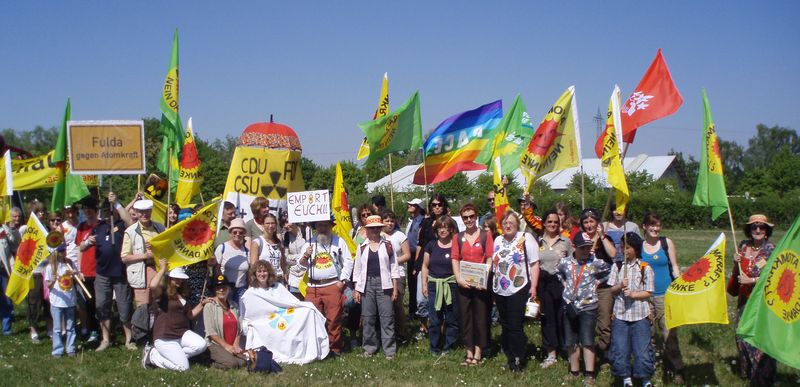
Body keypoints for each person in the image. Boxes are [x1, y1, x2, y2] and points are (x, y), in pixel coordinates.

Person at [240, 260, 330, 364]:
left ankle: (309, 348)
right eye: (259, 271)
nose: (262, 274)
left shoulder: (278, 287)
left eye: (265, 271)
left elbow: (292, 302)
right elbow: (247, 315)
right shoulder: (250, 294)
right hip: (265, 323)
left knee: (308, 311)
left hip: (284, 316)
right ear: (255, 274)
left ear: (269, 273)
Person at [556, 232, 611, 386]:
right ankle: (574, 371)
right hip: (570, 305)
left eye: (588, 248)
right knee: (571, 340)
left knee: (587, 340)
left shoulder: (595, 263)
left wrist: (598, 282)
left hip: (588, 306)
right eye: (582, 248)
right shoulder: (566, 262)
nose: (586, 251)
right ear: (574, 247)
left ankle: (589, 374)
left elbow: (610, 271)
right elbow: (558, 272)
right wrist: (565, 284)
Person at [730, 214, 777, 385]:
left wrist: (752, 281)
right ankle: (747, 371)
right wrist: (736, 262)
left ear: (766, 231)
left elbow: (773, 276)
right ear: (749, 230)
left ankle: (764, 375)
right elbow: (738, 272)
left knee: (759, 337)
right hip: (744, 299)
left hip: (762, 301)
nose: (757, 230)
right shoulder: (742, 246)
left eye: (761, 227)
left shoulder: (771, 249)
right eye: (754, 227)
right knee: (741, 335)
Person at [296, 218, 353, 356]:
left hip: (332, 285)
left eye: (325, 225)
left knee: (334, 319)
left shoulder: (339, 241)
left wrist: (342, 281)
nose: (322, 228)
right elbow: (300, 266)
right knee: (313, 319)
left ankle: (335, 348)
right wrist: (305, 256)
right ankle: (316, 347)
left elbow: (348, 262)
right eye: (319, 225)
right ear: (315, 227)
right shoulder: (309, 243)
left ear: (330, 226)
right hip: (313, 286)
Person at [491, 211, 540, 372]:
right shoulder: (498, 239)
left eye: (511, 222)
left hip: (519, 287)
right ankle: (509, 355)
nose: (508, 225)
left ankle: (518, 358)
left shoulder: (526, 238)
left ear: (517, 224)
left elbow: (534, 264)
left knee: (515, 325)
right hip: (500, 289)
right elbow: (494, 263)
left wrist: (533, 286)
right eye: (505, 222)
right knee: (504, 324)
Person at [640, 212, 685, 384]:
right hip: (645, 297)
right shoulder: (640, 246)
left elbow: (674, 265)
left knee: (669, 335)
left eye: (658, 225)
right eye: (652, 225)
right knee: (647, 335)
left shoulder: (666, 243)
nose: (655, 228)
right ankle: (649, 368)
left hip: (666, 295)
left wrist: (679, 280)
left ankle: (677, 368)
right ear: (644, 227)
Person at [142, 261, 209, 371]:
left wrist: (202, 304)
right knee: (183, 368)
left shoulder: (182, 294)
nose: (180, 281)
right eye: (176, 278)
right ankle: (153, 356)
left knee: (201, 344)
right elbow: (153, 286)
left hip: (182, 334)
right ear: (169, 279)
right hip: (165, 337)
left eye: (181, 278)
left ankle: (176, 356)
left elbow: (190, 315)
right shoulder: (162, 294)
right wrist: (163, 269)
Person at [607, 232, 655, 387]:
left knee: (642, 350)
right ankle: (626, 378)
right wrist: (620, 285)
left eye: (627, 248)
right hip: (620, 314)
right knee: (620, 349)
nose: (624, 250)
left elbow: (648, 292)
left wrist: (634, 294)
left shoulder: (644, 268)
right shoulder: (617, 266)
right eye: (622, 247)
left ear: (636, 249)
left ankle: (645, 378)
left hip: (640, 315)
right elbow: (611, 290)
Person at [91, 194, 136, 351]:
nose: (107, 214)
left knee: (124, 307)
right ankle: (105, 339)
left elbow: (129, 220)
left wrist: (116, 202)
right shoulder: (99, 227)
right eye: (105, 211)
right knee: (103, 306)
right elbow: (85, 244)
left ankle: (129, 339)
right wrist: (86, 243)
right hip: (102, 273)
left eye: (109, 211)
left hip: (120, 274)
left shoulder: (123, 225)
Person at [451, 203, 493, 366]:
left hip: (481, 284)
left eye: (471, 216)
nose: (469, 220)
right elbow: (455, 258)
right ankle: (468, 352)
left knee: (480, 317)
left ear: (476, 217)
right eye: (465, 217)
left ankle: (478, 352)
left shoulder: (485, 235)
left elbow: (489, 257)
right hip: (464, 283)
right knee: (466, 317)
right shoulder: (457, 237)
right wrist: (459, 278)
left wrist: (485, 277)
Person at [353, 215, 400, 359]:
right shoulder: (362, 246)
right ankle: (369, 347)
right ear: (367, 230)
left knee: (387, 317)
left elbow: (394, 267)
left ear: (380, 229)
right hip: (366, 284)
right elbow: (357, 269)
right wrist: (356, 288)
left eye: (376, 228)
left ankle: (389, 350)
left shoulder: (388, 245)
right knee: (368, 318)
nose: (374, 231)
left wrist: (395, 287)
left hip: (384, 284)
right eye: (371, 228)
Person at [536, 210, 573, 368]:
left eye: (556, 222)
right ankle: (551, 353)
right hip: (544, 285)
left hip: (561, 284)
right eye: (550, 221)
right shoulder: (537, 242)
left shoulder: (566, 241)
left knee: (564, 318)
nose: (553, 224)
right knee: (547, 318)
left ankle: (568, 350)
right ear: (544, 223)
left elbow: (573, 263)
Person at [579, 208, 617, 359]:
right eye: (586, 222)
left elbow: (613, 254)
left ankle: (605, 350)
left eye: (591, 221)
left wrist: (601, 236)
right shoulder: (580, 239)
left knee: (605, 322)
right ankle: (587, 351)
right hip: (584, 287)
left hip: (603, 287)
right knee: (585, 322)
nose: (589, 225)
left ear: (597, 223)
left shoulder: (605, 238)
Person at [421, 215, 460, 355]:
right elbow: (425, 266)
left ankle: (449, 346)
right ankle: (434, 347)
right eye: (439, 227)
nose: (442, 230)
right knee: (435, 318)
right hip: (434, 285)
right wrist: (424, 284)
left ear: (450, 229)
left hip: (451, 285)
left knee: (451, 317)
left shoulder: (457, 245)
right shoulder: (431, 245)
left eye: (445, 227)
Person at [415, 194, 449, 339]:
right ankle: (423, 327)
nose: (437, 207)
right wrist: (416, 264)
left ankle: (441, 329)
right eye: (434, 205)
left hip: (443, 266)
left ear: (444, 206)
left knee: (441, 301)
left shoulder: (450, 222)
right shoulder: (426, 222)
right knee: (421, 299)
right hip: (425, 264)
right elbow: (420, 244)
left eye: (439, 204)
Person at [122, 200, 165, 308]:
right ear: (136, 212)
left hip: (159, 271)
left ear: (151, 211)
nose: (144, 214)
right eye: (141, 212)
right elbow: (124, 257)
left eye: (147, 211)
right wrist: (144, 256)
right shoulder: (130, 232)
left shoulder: (160, 228)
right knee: (143, 308)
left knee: (160, 305)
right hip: (141, 273)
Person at [44, 244, 81, 357]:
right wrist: (54, 280)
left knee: (71, 327)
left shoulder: (69, 264)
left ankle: (70, 348)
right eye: (61, 251)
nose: (64, 253)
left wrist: (74, 274)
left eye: (64, 250)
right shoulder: (51, 267)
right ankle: (58, 350)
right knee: (57, 328)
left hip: (69, 300)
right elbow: (48, 285)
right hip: (57, 301)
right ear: (56, 253)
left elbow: (76, 276)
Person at [203, 274, 246, 369]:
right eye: (218, 288)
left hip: (232, 344)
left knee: (242, 362)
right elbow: (211, 332)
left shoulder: (234, 305)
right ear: (214, 290)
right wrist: (226, 346)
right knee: (232, 364)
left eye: (224, 287)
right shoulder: (209, 306)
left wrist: (236, 344)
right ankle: (208, 360)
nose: (221, 290)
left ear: (228, 289)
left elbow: (240, 328)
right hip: (216, 344)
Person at [381, 210, 410, 342]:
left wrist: (392, 261)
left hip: (398, 274)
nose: (390, 223)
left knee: (397, 304)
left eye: (392, 221)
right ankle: (386, 333)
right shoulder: (378, 235)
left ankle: (401, 333)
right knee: (384, 306)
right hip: (381, 274)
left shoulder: (400, 235)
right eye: (387, 220)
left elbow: (407, 255)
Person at [76, 196, 101, 345]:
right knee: (88, 303)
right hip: (86, 271)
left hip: (99, 269)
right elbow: (79, 248)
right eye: (85, 210)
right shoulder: (81, 227)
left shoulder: (101, 225)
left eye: (90, 210)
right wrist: (79, 269)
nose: (88, 212)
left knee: (101, 303)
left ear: (95, 211)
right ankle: (92, 330)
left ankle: (102, 330)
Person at [25, 204, 51, 342]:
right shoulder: (26, 229)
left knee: (48, 301)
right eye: (38, 212)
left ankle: (50, 328)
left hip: (46, 270)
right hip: (34, 272)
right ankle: (33, 329)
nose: (41, 214)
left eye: (42, 212)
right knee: (34, 302)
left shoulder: (46, 229)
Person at [212, 218, 249, 309]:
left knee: (240, 314)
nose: (238, 234)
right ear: (230, 233)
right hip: (226, 289)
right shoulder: (222, 248)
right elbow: (216, 268)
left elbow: (249, 271)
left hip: (241, 289)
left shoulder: (247, 251)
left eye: (241, 232)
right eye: (235, 232)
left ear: (244, 234)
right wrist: (221, 285)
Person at [0, 207, 21, 336]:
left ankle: (6, 328)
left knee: (6, 299)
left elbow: (15, 243)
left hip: (3, 270)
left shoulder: (4, 229)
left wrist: (12, 229)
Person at [250, 213, 286, 284]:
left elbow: (282, 263)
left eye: (272, 223)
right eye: (267, 223)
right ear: (262, 225)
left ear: (276, 225)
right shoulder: (257, 242)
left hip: (279, 280)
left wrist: (285, 275)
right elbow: (253, 266)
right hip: (265, 281)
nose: (270, 226)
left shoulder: (279, 243)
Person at [404, 199, 424, 321]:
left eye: (412, 204)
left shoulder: (421, 221)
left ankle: (418, 310)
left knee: (417, 283)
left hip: (418, 254)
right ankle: (413, 309)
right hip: (410, 254)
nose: (409, 205)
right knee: (411, 283)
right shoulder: (412, 221)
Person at [283, 221, 309, 299]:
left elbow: (311, 251)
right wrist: (301, 257)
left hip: (306, 274)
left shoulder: (306, 230)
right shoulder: (286, 235)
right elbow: (286, 258)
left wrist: (295, 257)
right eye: (284, 223)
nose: (286, 225)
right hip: (294, 275)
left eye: (288, 222)